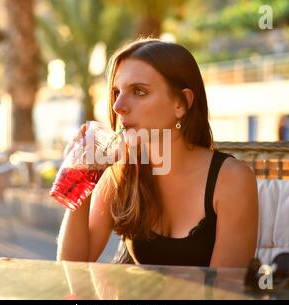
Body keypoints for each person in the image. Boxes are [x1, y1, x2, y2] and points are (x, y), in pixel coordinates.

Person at [56, 38, 259, 268]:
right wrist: (83, 176)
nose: (117, 106)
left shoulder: (231, 179)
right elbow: (71, 266)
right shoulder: (120, 171)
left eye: (139, 91)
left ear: (181, 104)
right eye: (116, 92)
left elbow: (225, 290)